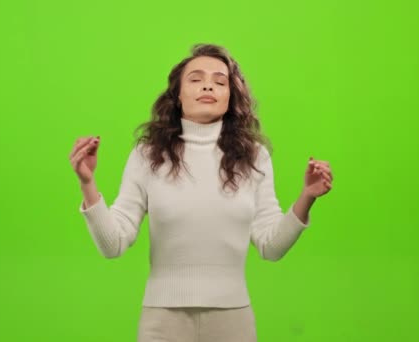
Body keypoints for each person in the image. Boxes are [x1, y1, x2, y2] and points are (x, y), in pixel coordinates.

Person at [68, 43, 333, 342]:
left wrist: (307, 196)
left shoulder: (254, 157)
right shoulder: (147, 155)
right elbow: (112, 243)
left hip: (233, 321)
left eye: (220, 81)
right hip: (162, 321)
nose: (208, 84)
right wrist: (87, 183)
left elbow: (271, 247)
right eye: (195, 79)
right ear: (177, 96)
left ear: (230, 97)